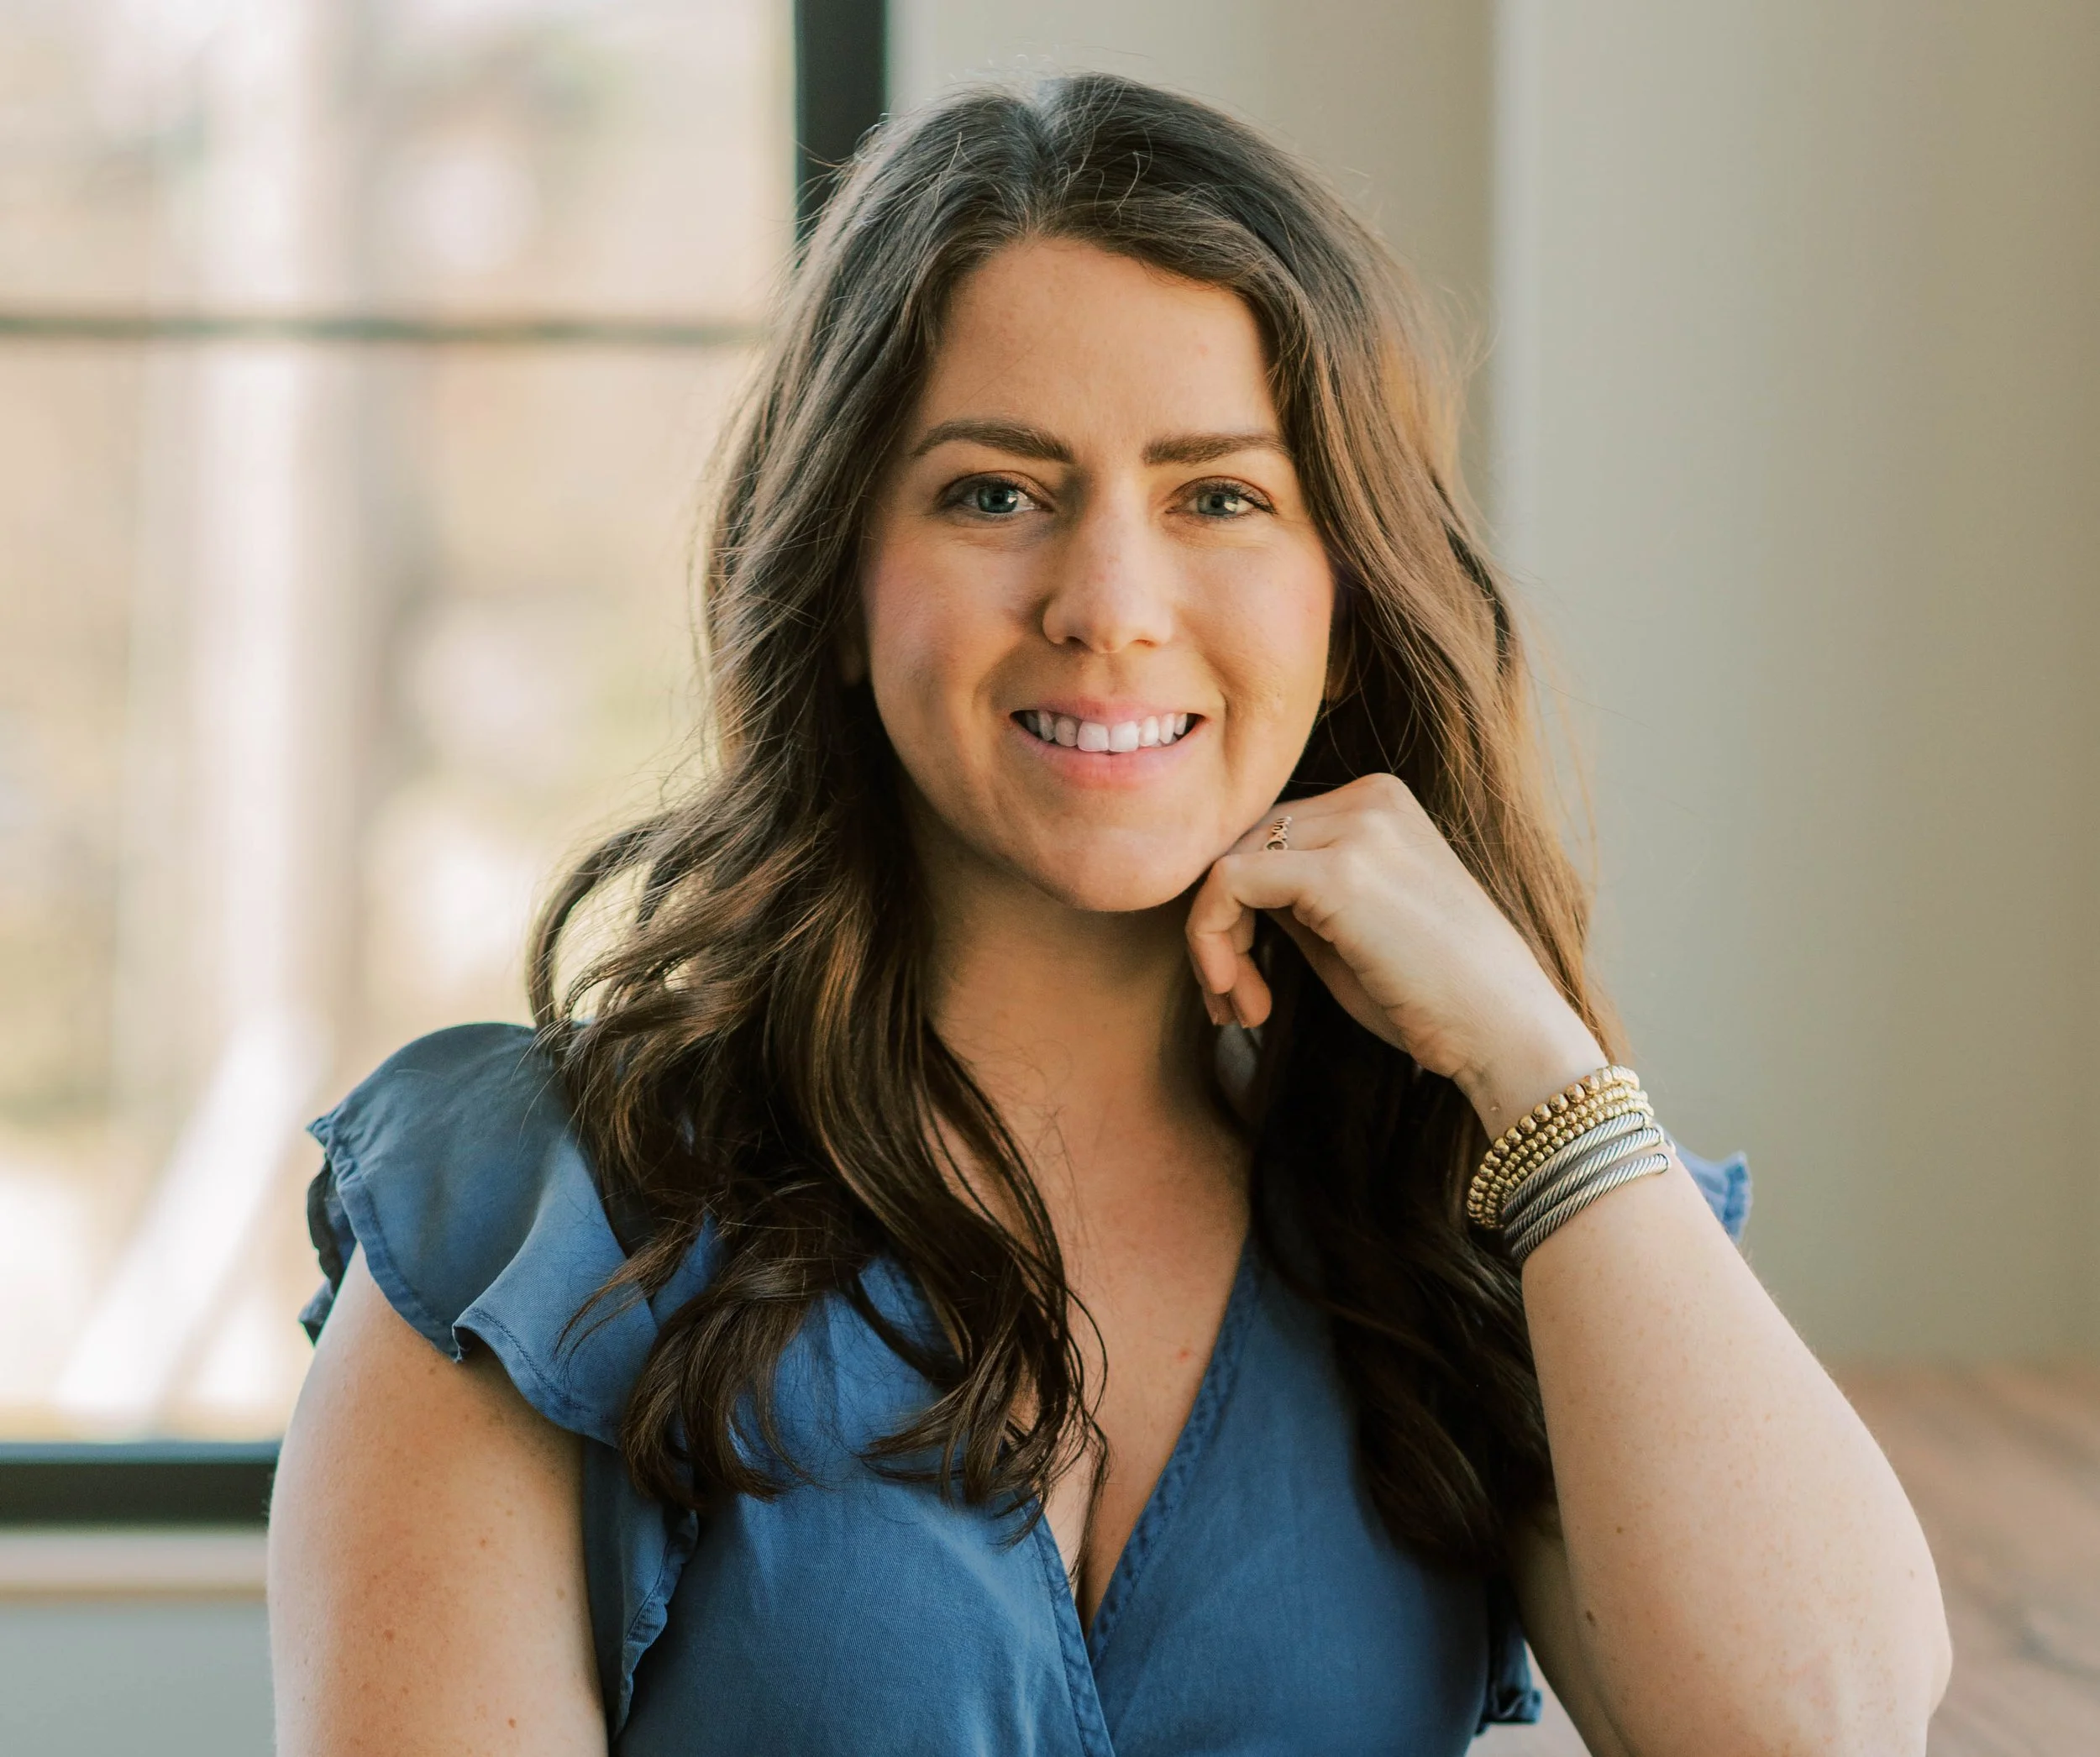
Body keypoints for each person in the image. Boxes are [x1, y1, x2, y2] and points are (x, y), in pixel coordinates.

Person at [267, 74, 1950, 1756]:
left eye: (1218, 497)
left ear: (1347, 607)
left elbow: (1822, 1725)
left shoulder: (1449, 1205)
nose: (1109, 608)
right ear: (840, 591)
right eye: (994, 493)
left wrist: (1530, 1060)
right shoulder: (530, 1210)